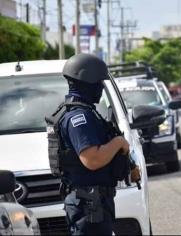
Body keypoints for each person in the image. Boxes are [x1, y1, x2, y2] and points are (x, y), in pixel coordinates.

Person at [46, 53, 132, 235]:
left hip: (93, 203)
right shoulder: (79, 117)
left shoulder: (86, 112)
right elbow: (92, 159)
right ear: (87, 82)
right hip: (89, 205)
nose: (101, 87)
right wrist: (118, 142)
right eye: (99, 82)